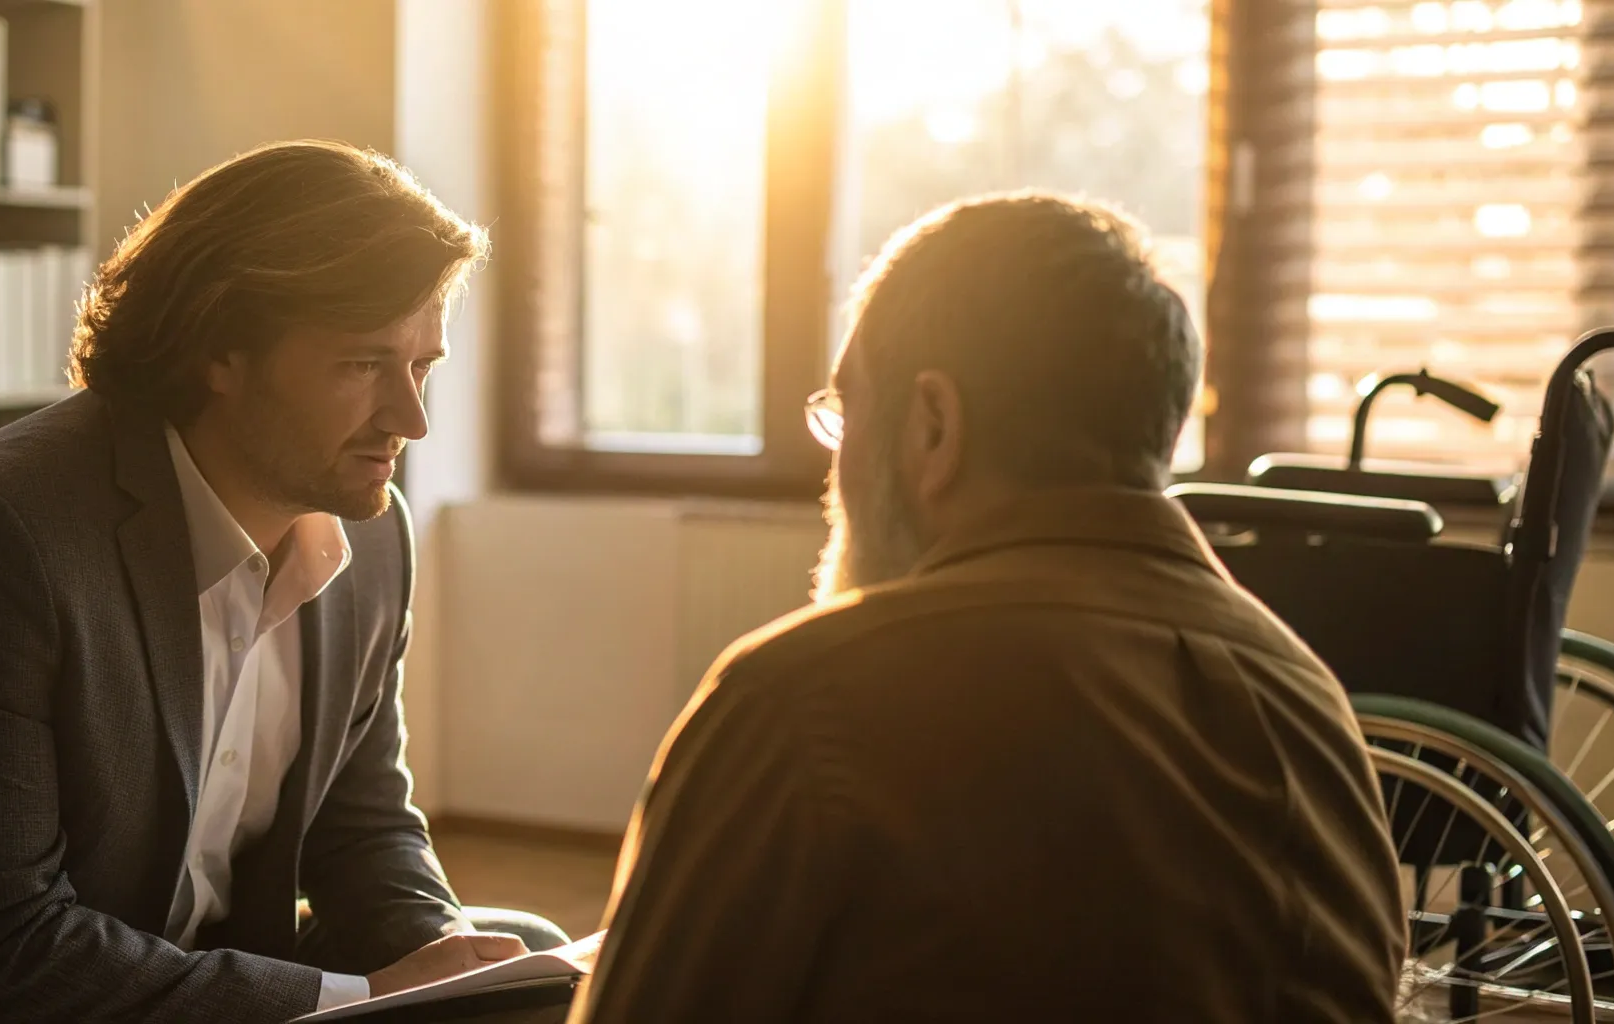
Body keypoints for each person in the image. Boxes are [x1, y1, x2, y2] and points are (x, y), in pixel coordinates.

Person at [0, 140, 567, 1024]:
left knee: (522, 964)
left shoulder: (370, 538)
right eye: (364, 365)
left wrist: (447, 970)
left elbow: (363, 826)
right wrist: (364, 998)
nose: (410, 419)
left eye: (422, 366)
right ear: (219, 350)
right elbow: (1, 955)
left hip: (166, 970)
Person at [568, 193, 1407, 1023]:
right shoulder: (1308, 703)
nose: (835, 476)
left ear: (933, 426)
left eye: (847, 414)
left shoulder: (802, 699)